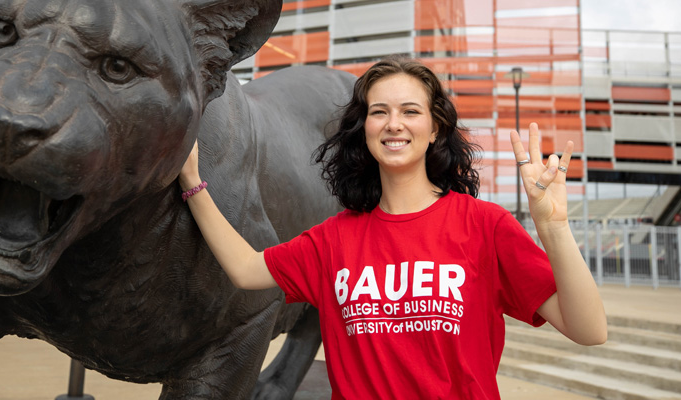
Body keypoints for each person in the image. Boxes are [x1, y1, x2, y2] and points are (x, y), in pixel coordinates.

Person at [178, 56, 607, 399]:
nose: (393, 123)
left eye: (410, 111)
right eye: (379, 111)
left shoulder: (484, 225)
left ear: (435, 127)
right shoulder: (335, 237)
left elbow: (589, 330)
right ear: (365, 129)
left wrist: (554, 228)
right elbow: (246, 269)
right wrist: (194, 183)